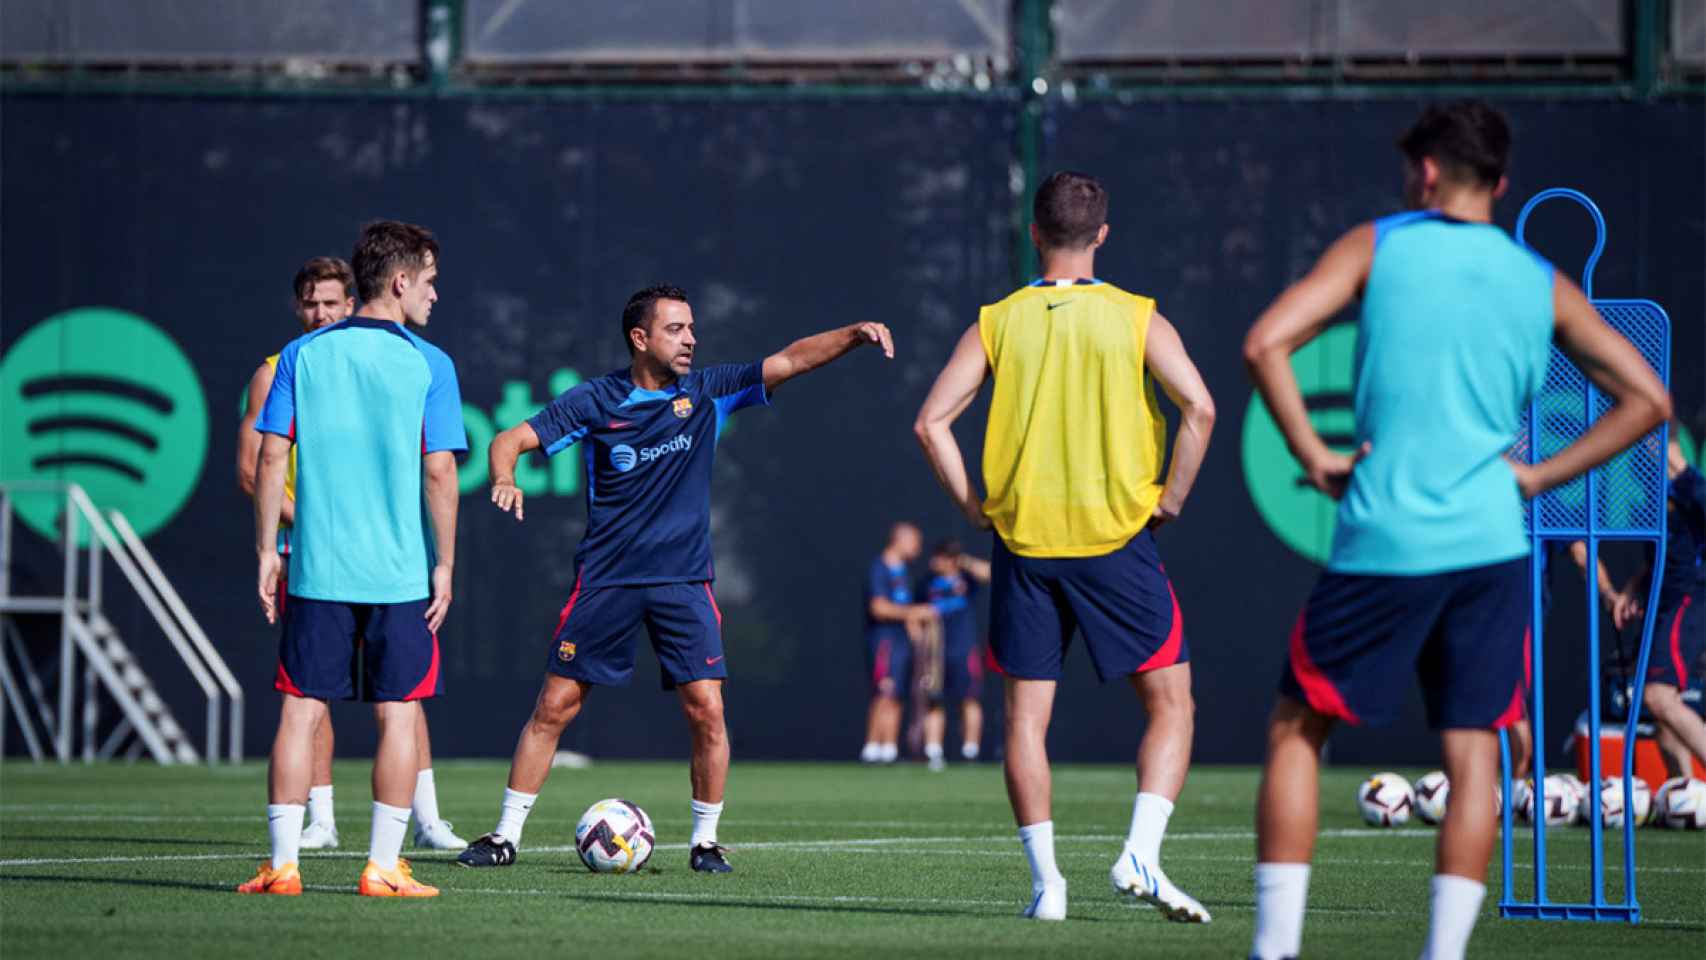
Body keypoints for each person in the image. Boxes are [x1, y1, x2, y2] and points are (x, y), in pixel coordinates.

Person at [1242, 101, 1671, 960]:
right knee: (1475, 750)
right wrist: (1541, 477)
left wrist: (1315, 452)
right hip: (1490, 545)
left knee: (1299, 729)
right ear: (1502, 183)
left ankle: (1276, 951)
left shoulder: (1381, 244)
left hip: (1386, 539)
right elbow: (1649, 402)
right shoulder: (1538, 279)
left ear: (1427, 173)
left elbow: (1265, 343)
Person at [457, 284, 894, 874]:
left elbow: (789, 359)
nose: (690, 339)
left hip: (684, 582)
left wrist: (852, 334)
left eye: (691, 328)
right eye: (675, 329)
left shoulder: (708, 391)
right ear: (640, 338)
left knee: (706, 709)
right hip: (606, 579)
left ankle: (705, 842)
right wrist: (503, 476)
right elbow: (509, 439)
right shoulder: (595, 399)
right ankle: (505, 836)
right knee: (555, 705)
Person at [915, 170, 1218, 923]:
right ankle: (1140, 852)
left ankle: (1047, 886)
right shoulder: (1137, 316)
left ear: (1033, 232)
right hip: (1116, 537)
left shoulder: (999, 318)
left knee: (1024, 721)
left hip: (1025, 543)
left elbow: (931, 423)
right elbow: (1201, 408)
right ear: (1103, 235)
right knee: (1172, 704)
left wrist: (973, 508)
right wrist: (1170, 499)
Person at [243, 220, 467, 897]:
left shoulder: (301, 356)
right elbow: (439, 474)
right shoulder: (430, 363)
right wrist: (445, 564)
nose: (434, 295)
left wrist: (264, 551)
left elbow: (271, 457)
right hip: (399, 574)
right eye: (429, 281)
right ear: (400, 281)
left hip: (316, 568)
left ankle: (284, 866)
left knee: (300, 711)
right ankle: (382, 866)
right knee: (399, 712)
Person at [1607, 432, 1706, 777]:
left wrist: (1679, 470)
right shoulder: (1653, 490)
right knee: (1663, 717)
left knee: (1658, 696)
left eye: (1651, 441)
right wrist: (1634, 588)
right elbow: (1661, 558)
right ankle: (1687, 795)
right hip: (1666, 602)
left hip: (1691, 600)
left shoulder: (1693, 488)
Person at [861, 523, 939, 764]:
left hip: (902, 642)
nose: (918, 548)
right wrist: (915, 613)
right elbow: (878, 607)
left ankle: (889, 749)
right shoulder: (879, 568)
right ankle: (872, 747)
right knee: (884, 692)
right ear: (900, 539)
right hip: (883, 640)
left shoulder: (903, 572)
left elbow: (904, 608)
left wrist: (915, 625)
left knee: (897, 695)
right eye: (915, 541)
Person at [919, 540, 992, 766]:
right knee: (934, 700)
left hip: (964, 649)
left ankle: (970, 751)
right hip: (936, 654)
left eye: (943, 557)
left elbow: (990, 574)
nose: (936, 561)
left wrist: (963, 560)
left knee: (969, 699)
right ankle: (933, 752)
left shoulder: (966, 580)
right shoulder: (926, 583)